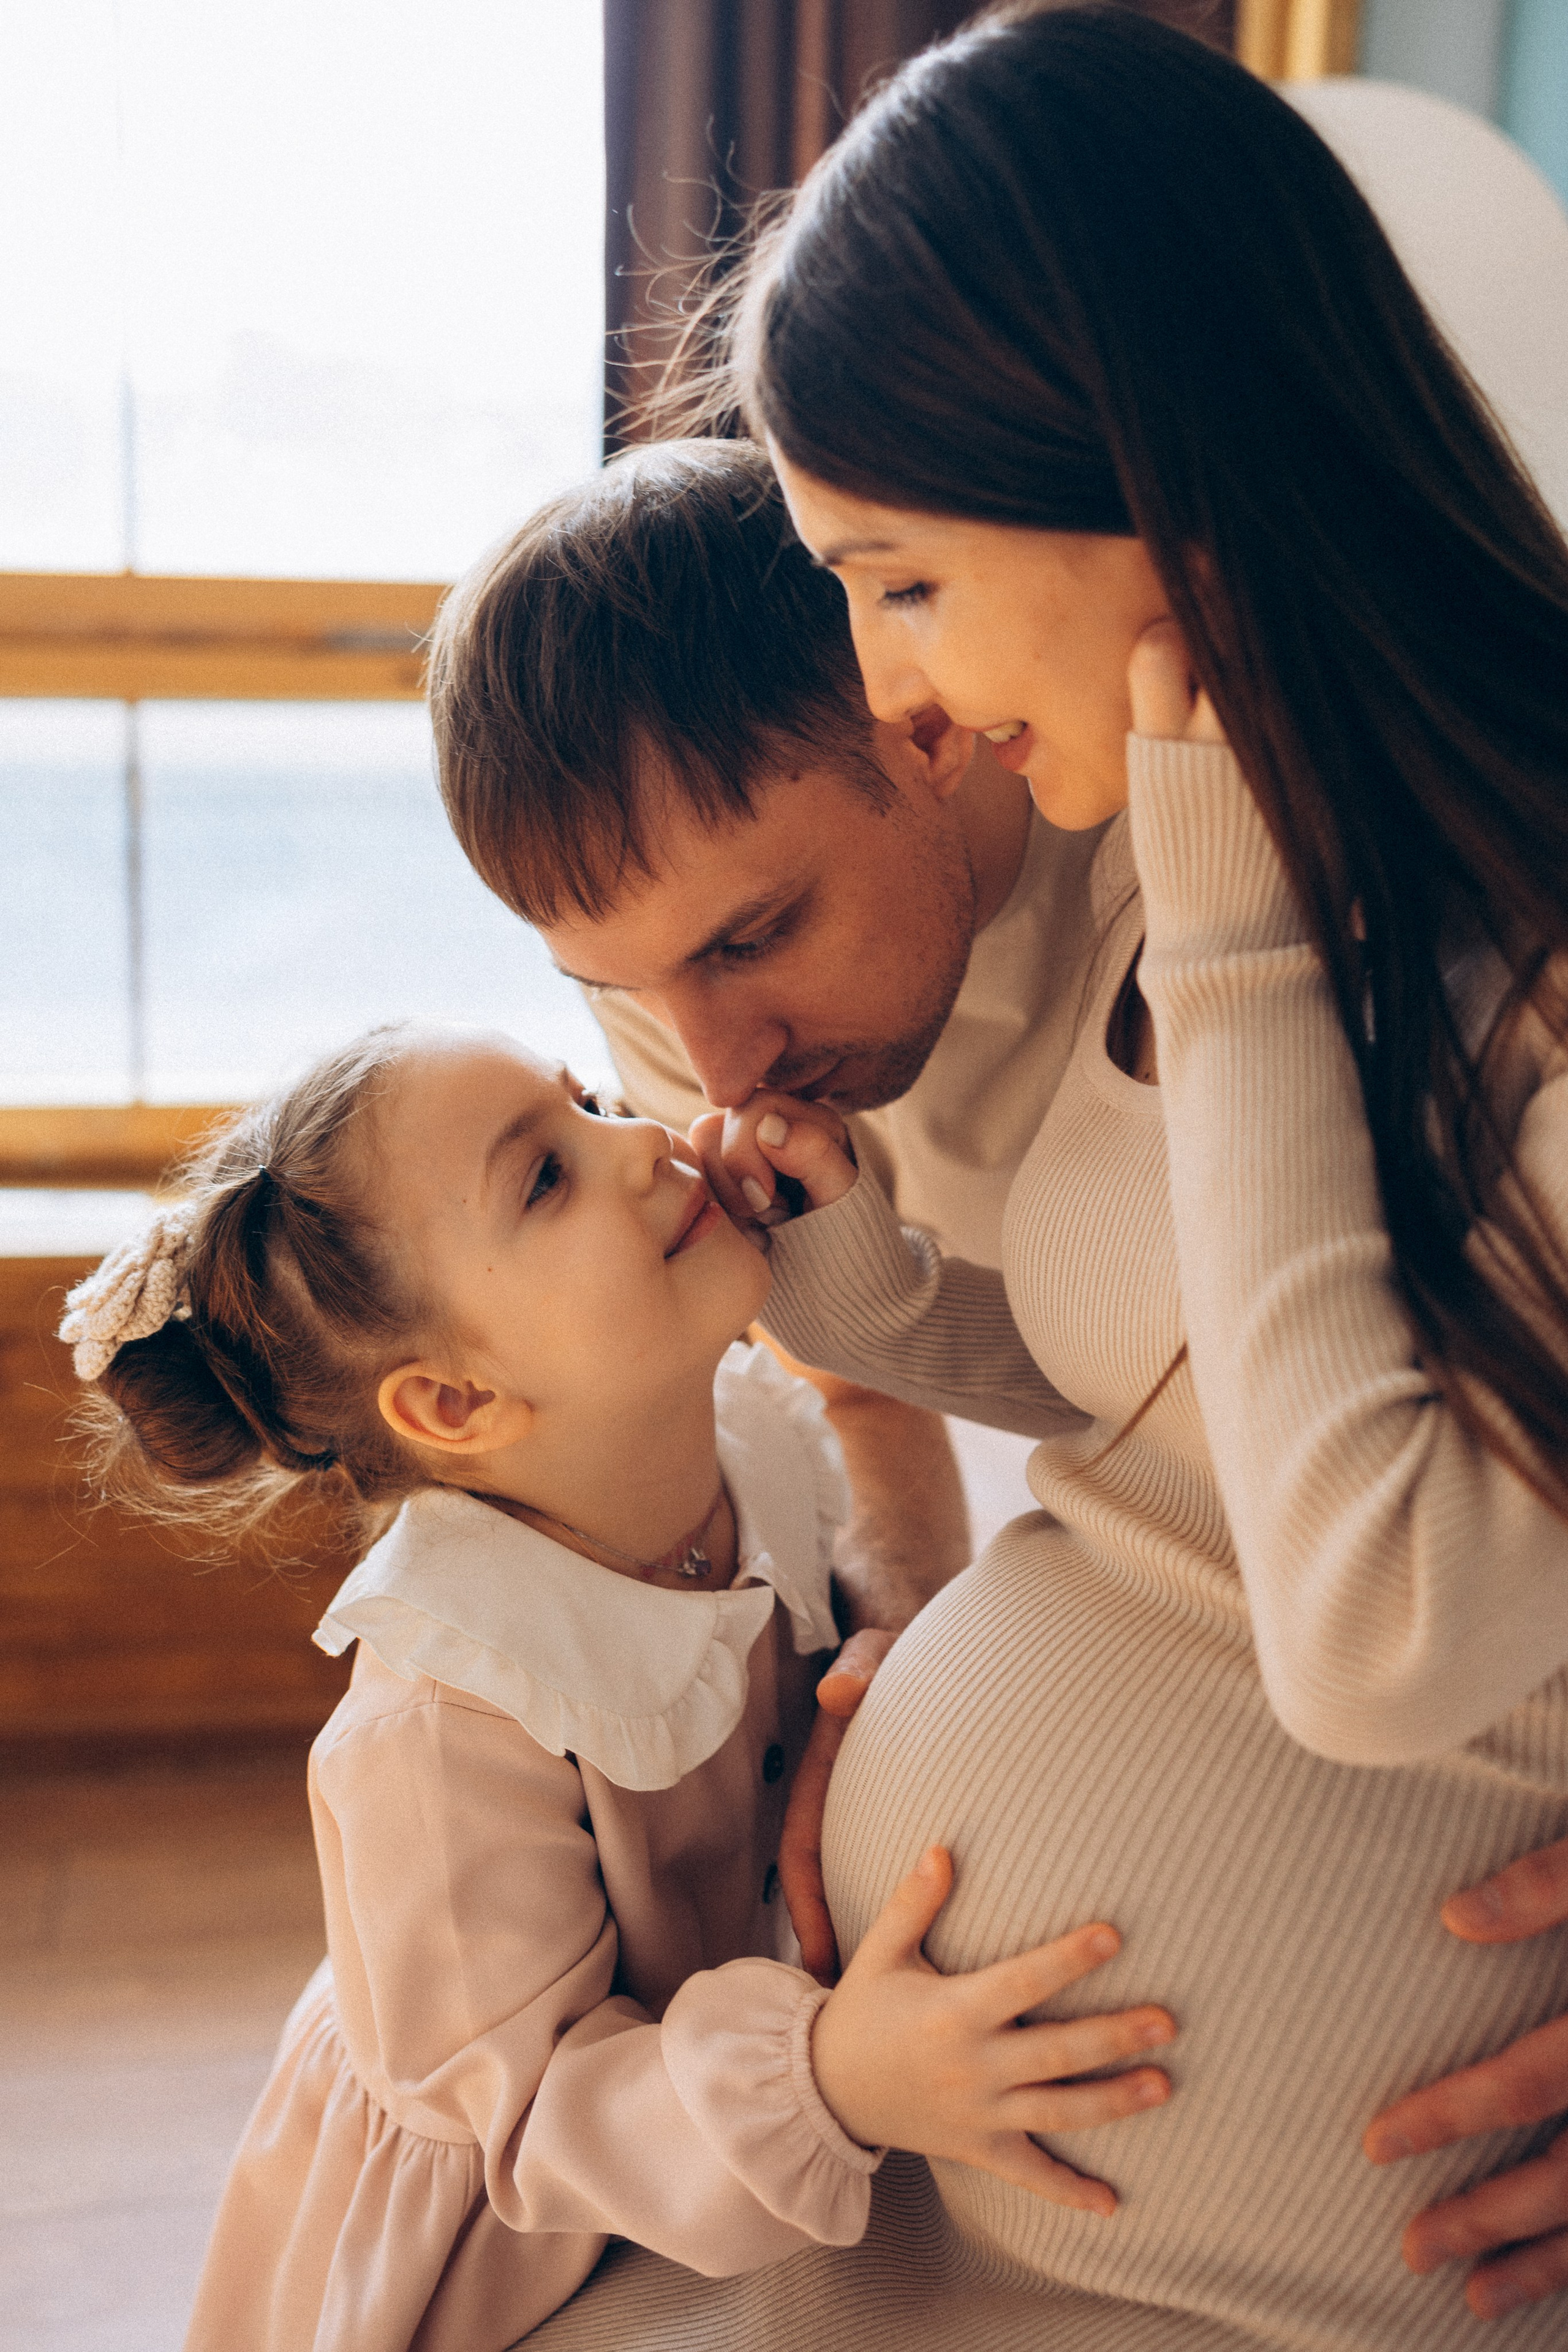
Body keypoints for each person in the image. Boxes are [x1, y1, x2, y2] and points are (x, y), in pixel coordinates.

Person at [432, 434, 1568, 2327]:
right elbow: (962, 1379)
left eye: (755, 936)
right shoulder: (681, 978)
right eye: (619, 991)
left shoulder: (1209, 847)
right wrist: (898, 1645)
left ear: (933, 716)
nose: (714, 1061)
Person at [61, 1021, 1178, 2352]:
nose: (641, 1142)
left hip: (721, 2090)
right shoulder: (437, 1729)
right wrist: (830, 2079)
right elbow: (537, 2119)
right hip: (525, 2230)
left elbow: (869, 1520)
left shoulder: (743, 1435)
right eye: (546, 1177)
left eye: (585, 1102)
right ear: (456, 1404)